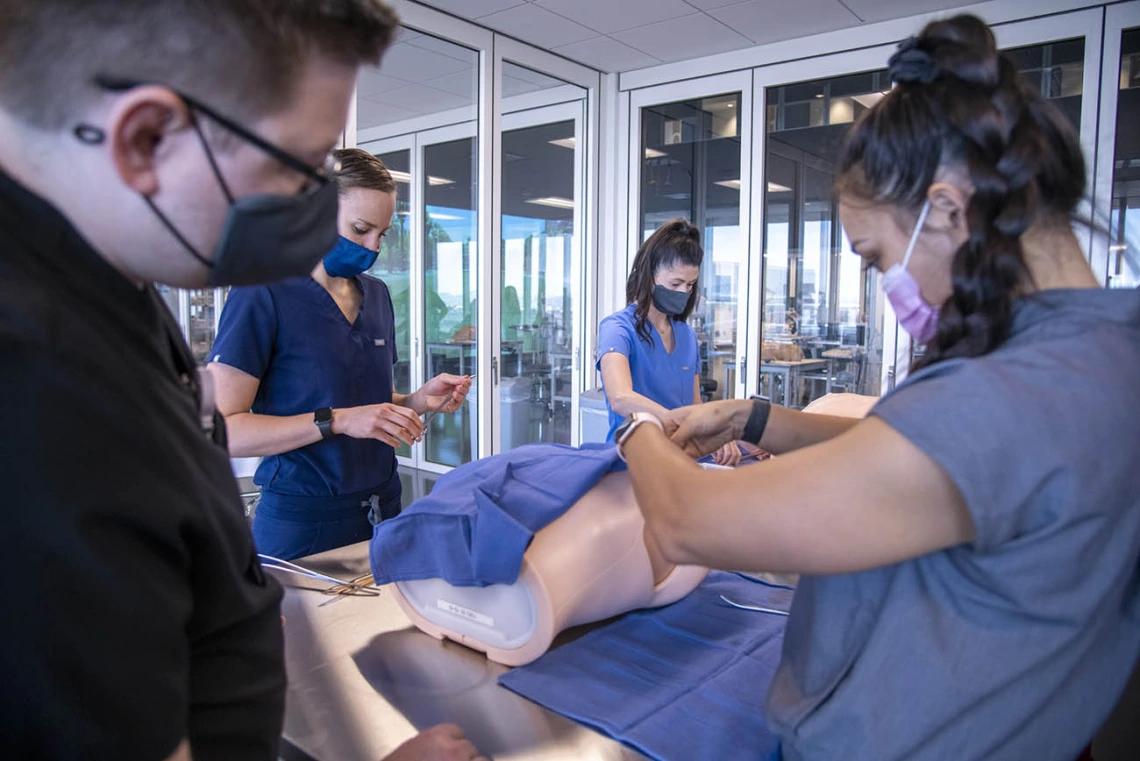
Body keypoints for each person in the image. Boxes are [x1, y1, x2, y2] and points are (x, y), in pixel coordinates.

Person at [614, 15, 1140, 761]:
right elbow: (914, 450)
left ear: (951, 210)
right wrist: (752, 415)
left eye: (874, 257)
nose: (886, 285)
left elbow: (684, 520)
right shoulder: (1099, 352)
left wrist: (634, 430)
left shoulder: (1017, 396)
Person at [0, 1, 482, 760]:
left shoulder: (119, 289)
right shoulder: (41, 380)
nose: (305, 215)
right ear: (146, 139)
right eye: (296, 173)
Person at [209, 148, 471, 561]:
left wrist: (417, 401)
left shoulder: (378, 296)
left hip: (382, 507)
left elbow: (370, 405)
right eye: (361, 228)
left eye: (382, 234)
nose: (373, 247)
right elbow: (225, 431)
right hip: (304, 519)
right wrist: (339, 421)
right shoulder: (262, 293)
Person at [597, 218, 744, 466]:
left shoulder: (686, 336)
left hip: (682, 457)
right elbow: (620, 397)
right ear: (649, 276)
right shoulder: (617, 328)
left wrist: (718, 436)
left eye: (690, 285)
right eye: (675, 283)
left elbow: (696, 405)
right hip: (633, 458)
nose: (683, 292)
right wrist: (677, 420)